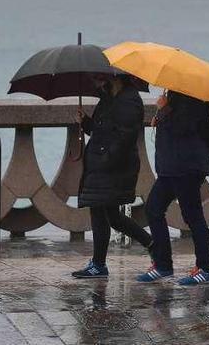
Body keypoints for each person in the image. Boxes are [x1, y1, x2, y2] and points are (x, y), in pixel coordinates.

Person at [72, 74, 153, 278]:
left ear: (117, 78)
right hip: (101, 166)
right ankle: (153, 245)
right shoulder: (108, 99)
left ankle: (99, 264)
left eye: (101, 77)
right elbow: (102, 131)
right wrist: (86, 122)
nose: (97, 81)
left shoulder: (129, 101)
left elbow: (126, 137)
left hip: (114, 168)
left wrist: (106, 158)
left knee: (101, 212)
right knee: (113, 217)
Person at [138, 90, 209, 285]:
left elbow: (184, 127)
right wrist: (160, 114)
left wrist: (163, 109)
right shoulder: (175, 95)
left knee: (193, 216)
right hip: (171, 167)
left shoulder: (193, 97)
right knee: (153, 209)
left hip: (187, 167)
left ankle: (206, 268)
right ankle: (163, 265)